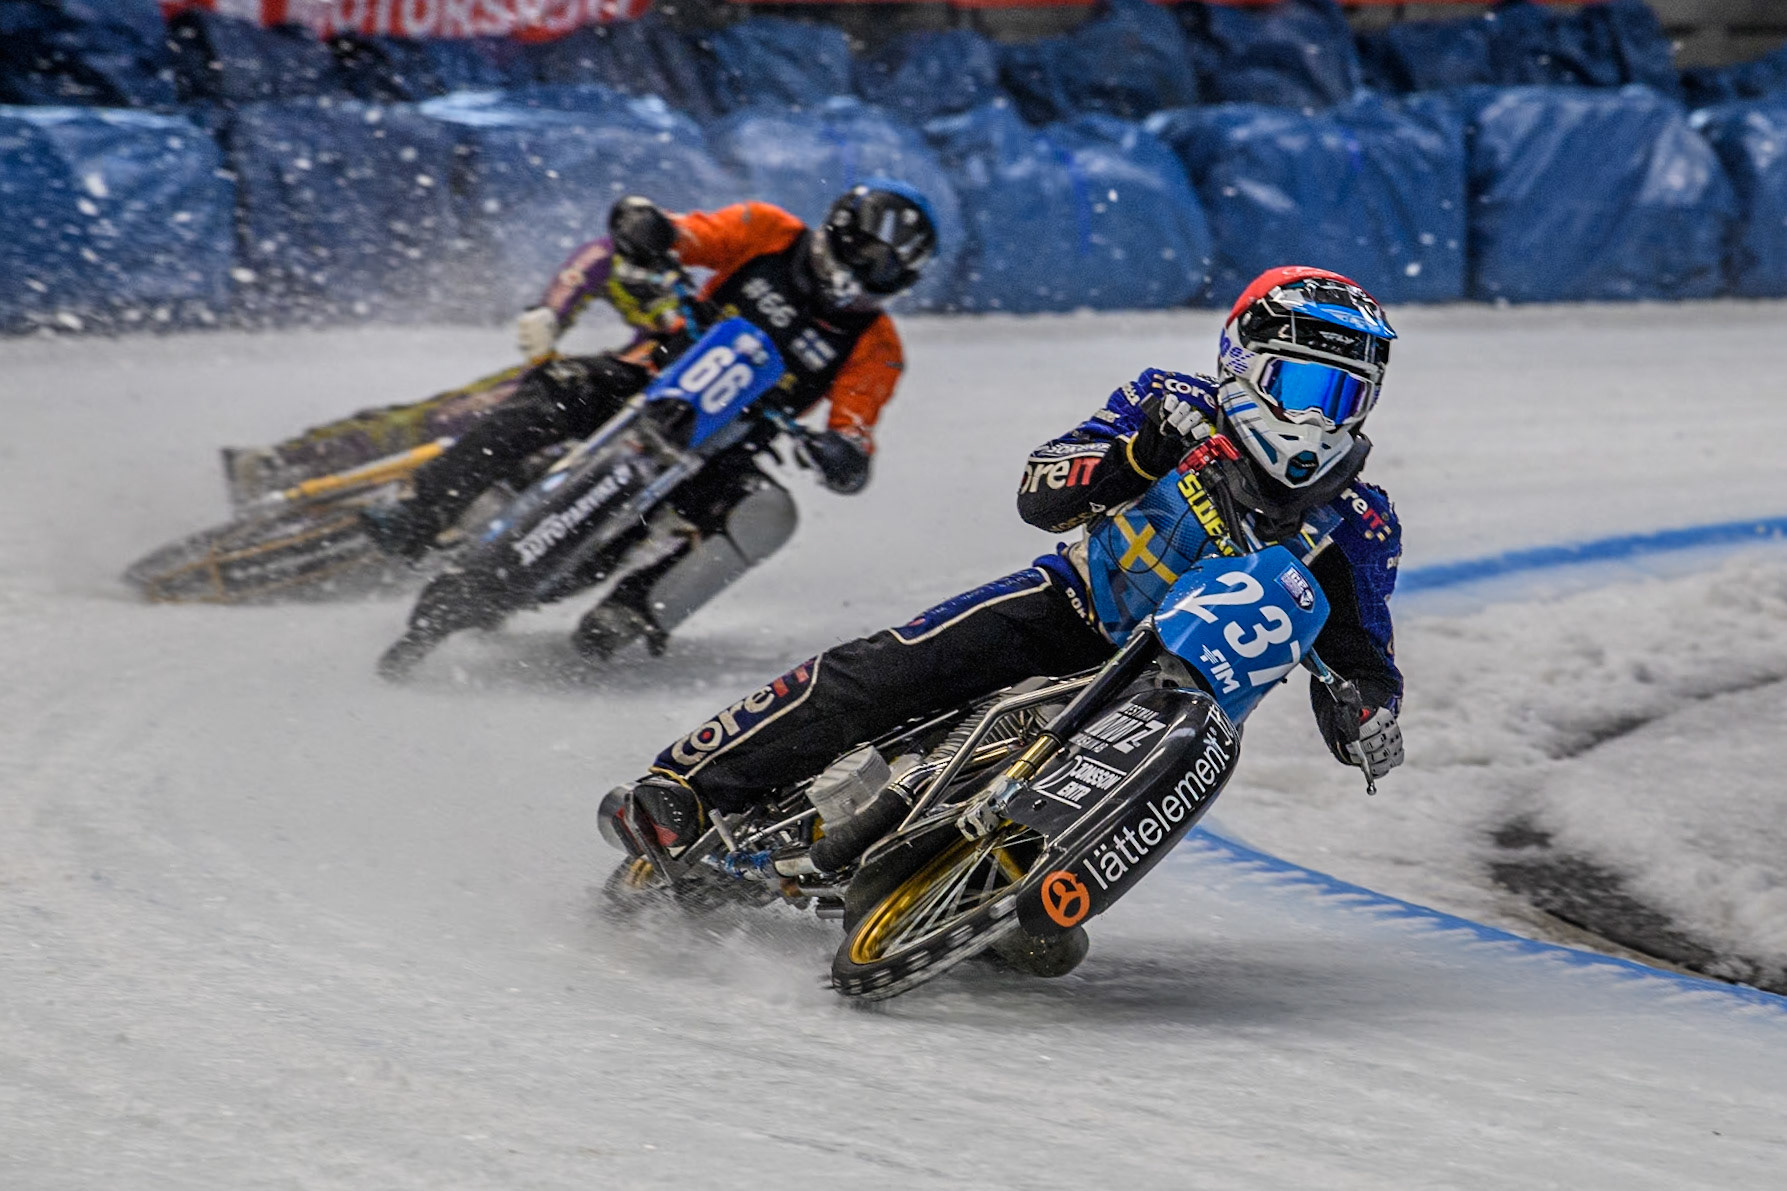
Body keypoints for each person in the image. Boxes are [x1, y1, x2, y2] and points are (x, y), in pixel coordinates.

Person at [606, 266, 1406, 855]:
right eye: (1299, 386)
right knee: (888, 667)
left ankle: (1016, 891)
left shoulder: (1360, 523)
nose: (1313, 418)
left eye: (1339, 397)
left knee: (1182, 772)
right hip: (1073, 606)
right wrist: (1139, 451)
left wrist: (1367, 714)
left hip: (1178, 696)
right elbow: (1040, 491)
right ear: (1243, 363)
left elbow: (1362, 656)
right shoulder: (1170, 402)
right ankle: (687, 787)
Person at [361, 182, 939, 657]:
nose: (865, 275)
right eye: (867, 256)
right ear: (838, 234)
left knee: (767, 514)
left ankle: (634, 611)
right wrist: (652, 229)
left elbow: (855, 432)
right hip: (654, 373)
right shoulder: (768, 231)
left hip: (726, 445)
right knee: (554, 394)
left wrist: (842, 455)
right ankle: (421, 510)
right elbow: (690, 235)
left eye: (885, 270)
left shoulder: (877, 346)